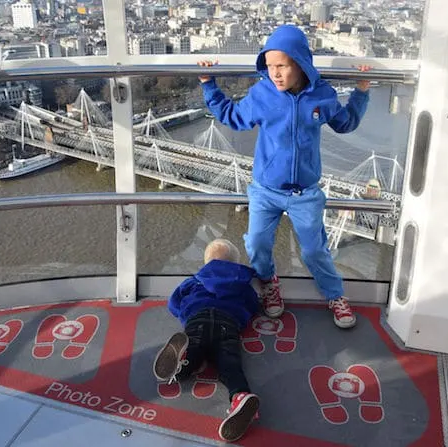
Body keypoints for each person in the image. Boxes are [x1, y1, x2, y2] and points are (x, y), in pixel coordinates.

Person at [197, 25, 372, 328]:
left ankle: (335, 294)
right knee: (256, 244)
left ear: (300, 63)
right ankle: (269, 283)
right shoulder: (263, 94)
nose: (275, 73)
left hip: (305, 191)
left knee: (315, 249)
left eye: (282, 65)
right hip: (265, 188)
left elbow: (345, 124)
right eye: (269, 66)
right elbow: (233, 117)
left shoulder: (322, 95)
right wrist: (209, 85)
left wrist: (362, 92)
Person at [153, 239, 260, 442]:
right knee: (230, 366)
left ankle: (183, 358)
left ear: (206, 262)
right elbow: (253, 305)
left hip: (198, 319)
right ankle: (240, 396)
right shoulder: (242, 283)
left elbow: (174, 302)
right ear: (235, 263)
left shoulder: (196, 279)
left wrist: (183, 314)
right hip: (228, 324)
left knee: (194, 350)